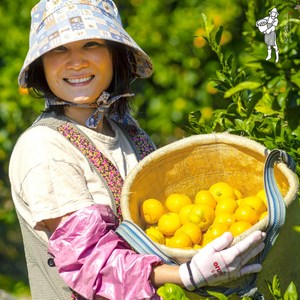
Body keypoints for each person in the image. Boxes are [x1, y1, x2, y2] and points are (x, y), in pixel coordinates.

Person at [9, 1, 266, 299]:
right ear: (41, 64)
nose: (76, 61)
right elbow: (91, 261)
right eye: (58, 49)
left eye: (91, 44)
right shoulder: (45, 147)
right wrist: (186, 274)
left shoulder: (126, 131)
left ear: (114, 55)